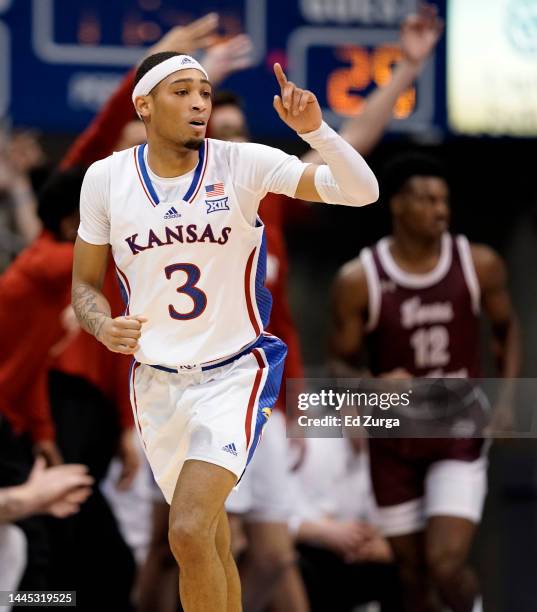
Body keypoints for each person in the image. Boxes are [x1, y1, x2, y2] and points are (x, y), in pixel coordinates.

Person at [71, 48, 378, 612]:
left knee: (186, 529)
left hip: (234, 373)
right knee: (207, 541)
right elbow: (85, 286)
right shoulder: (105, 179)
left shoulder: (241, 163)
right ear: (144, 104)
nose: (198, 104)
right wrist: (101, 325)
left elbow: (361, 191)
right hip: (157, 383)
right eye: (182, 91)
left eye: (205, 93)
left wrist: (319, 132)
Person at [330, 153, 520, 612]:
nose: (440, 210)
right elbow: (339, 363)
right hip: (394, 440)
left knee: (446, 563)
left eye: (444, 200)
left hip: (457, 432)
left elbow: (507, 328)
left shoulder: (479, 263)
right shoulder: (360, 279)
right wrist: (371, 386)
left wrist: (507, 396)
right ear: (397, 205)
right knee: (412, 578)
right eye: (428, 199)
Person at [288, 435, 402, 611]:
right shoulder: (314, 449)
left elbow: (381, 524)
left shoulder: (384, 458)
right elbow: (279, 521)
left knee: (402, 567)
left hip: (351, 553)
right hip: (309, 551)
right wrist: (326, 532)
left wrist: (383, 545)